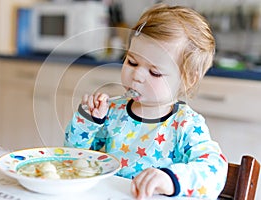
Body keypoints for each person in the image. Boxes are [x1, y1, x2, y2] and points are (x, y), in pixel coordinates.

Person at [64, 3, 228, 199]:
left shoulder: (186, 125)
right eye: (132, 61)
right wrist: (88, 121)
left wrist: (170, 180)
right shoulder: (112, 111)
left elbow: (214, 172)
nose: (137, 75)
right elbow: (74, 157)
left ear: (187, 79)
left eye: (154, 72)